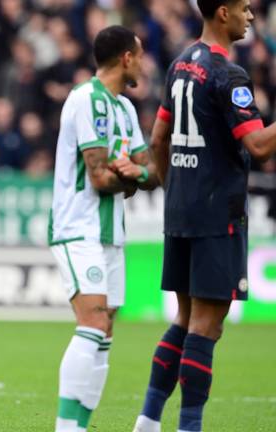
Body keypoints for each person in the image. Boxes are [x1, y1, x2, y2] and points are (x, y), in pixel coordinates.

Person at [133, 1, 276, 431]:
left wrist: (171, 187)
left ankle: (147, 420)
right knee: (206, 327)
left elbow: (159, 137)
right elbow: (259, 147)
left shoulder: (180, 64)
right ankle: (188, 427)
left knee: (185, 319)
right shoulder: (228, 75)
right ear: (221, 12)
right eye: (244, 8)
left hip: (181, 209)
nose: (251, 15)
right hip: (218, 213)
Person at [48, 26, 158, 432]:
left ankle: (80, 424)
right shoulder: (84, 100)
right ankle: (66, 428)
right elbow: (99, 177)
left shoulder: (126, 110)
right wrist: (134, 175)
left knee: (106, 328)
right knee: (92, 322)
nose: (144, 62)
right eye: (141, 54)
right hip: (78, 227)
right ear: (127, 57)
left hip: (111, 233)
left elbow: (154, 172)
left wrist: (138, 171)